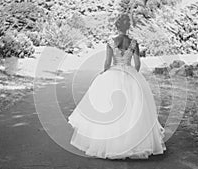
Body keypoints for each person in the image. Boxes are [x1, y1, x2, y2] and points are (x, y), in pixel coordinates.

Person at [68, 13, 166, 159]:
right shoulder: (134, 43)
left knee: (108, 108)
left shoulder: (111, 42)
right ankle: (134, 143)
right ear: (128, 26)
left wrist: (104, 72)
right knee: (133, 110)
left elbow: (107, 63)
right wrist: (133, 74)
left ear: (117, 26)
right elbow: (137, 64)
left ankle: (110, 144)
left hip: (113, 74)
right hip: (130, 74)